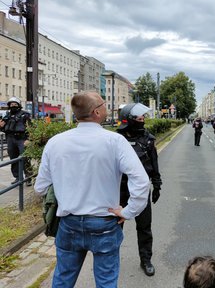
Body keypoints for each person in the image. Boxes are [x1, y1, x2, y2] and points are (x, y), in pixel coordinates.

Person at [34, 91, 150, 288]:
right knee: (106, 282)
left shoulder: (55, 142)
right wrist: (129, 211)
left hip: (69, 222)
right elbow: (141, 181)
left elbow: (40, 187)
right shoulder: (115, 141)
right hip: (103, 223)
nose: (106, 107)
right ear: (97, 112)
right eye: (104, 104)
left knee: (63, 279)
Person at [117, 103, 162, 277]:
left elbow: (154, 162)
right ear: (128, 119)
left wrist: (157, 184)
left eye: (143, 117)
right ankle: (112, 258)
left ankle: (146, 260)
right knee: (116, 226)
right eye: (138, 117)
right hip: (119, 189)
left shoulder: (148, 139)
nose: (142, 120)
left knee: (144, 227)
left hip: (141, 191)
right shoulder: (116, 139)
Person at [0, 97, 32, 186]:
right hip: (10, 139)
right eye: (11, 104)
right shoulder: (7, 116)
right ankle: (18, 177)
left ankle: (29, 177)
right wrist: (1, 126)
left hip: (22, 139)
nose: (13, 106)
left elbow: (31, 128)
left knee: (25, 158)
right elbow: (4, 128)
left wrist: (29, 139)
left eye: (15, 104)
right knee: (13, 159)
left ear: (19, 105)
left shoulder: (25, 114)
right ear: (9, 105)